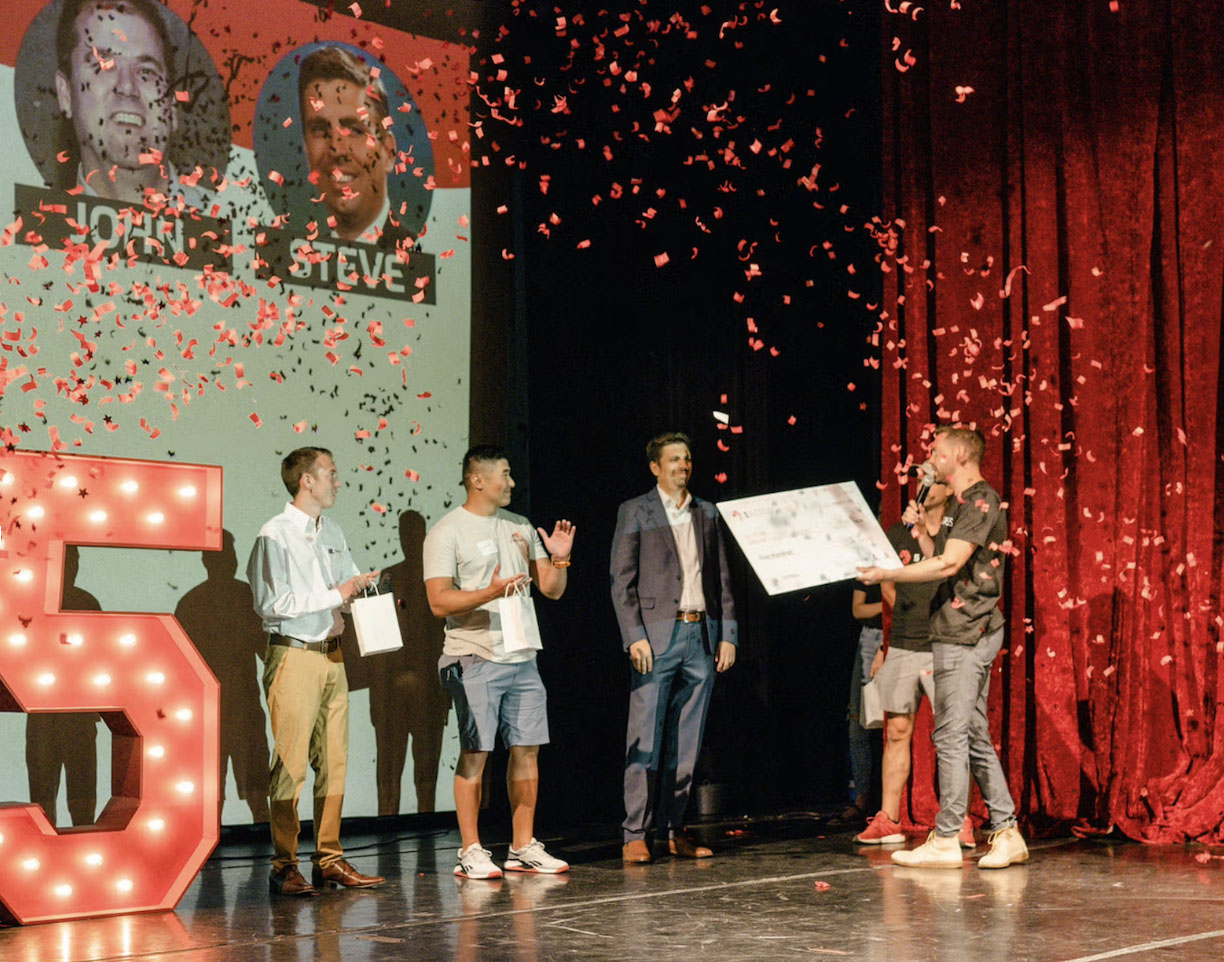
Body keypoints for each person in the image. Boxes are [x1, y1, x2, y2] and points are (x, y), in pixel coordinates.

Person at [858, 426, 1028, 869]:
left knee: (950, 734)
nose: (930, 459)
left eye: (936, 452)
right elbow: (943, 553)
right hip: (954, 628)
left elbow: (949, 563)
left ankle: (947, 835)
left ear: (956, 454)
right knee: (971, 733)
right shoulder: (956, 504)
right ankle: (1006, 830)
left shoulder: (980, 501)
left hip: (967, 631)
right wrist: (915, 535)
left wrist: (885, 575)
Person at [423, 444, 575, 879]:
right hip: (474, 654)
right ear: (477, 479)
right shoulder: (447, 531)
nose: (511, 482)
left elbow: (552, 588)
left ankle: (522, 846)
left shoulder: (520, 525)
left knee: (526, 751)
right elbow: (438, 602)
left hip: (522, 653)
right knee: (476, 751)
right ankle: (470, 850)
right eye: (504, 474)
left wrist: (560, 557)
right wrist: (489, 592)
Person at [247, 447, 385, 896]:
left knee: (335, 761)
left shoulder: (334, 530)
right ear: (306, 480)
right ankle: (284, 864)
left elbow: (342, 586)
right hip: (294, 655)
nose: (336, 481)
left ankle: (330, 858)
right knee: (290, 763)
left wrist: (360, 588)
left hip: (332, 653)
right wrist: (334, 594)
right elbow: (272, 605)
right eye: (330, 472)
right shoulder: (275, 534)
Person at [610, 432, 738, 864]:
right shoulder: (636, 511)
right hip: (656, 637)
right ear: (655, 467)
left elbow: (721, 578)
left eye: (686, 459)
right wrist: (634, 635)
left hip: (699, 636)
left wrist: (728, 634)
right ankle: (635, 833)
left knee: (688, 742)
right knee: (645, 737)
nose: (683, 466)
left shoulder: (707, 512)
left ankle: (672, 829)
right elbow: (621, 581)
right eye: (673, 460)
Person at [855, 475, 975, 849]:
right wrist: (897, 632)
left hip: (946, 644)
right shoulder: (898, 533)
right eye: (920, 478)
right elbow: (887, 586)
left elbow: (955, 571)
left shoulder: (958, 530)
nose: (924, 486)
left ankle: (960, 820)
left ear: (948, 489)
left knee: (952, 737)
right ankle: (888, 818)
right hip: (905, 643)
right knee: (896, 731)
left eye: (933, 480)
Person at [53, 0, 189, 205]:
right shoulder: (34, 224)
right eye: (104, 64)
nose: (127, 87)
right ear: (66, 94)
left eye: (146, 71)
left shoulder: (227, 223)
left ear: (172, 104)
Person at [297, 46, 404, 245]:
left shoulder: (419, 260)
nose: (337, 149)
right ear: (306, 148)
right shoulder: (298, 254)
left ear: (388, 152)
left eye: (354, 130)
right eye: (320, 130)